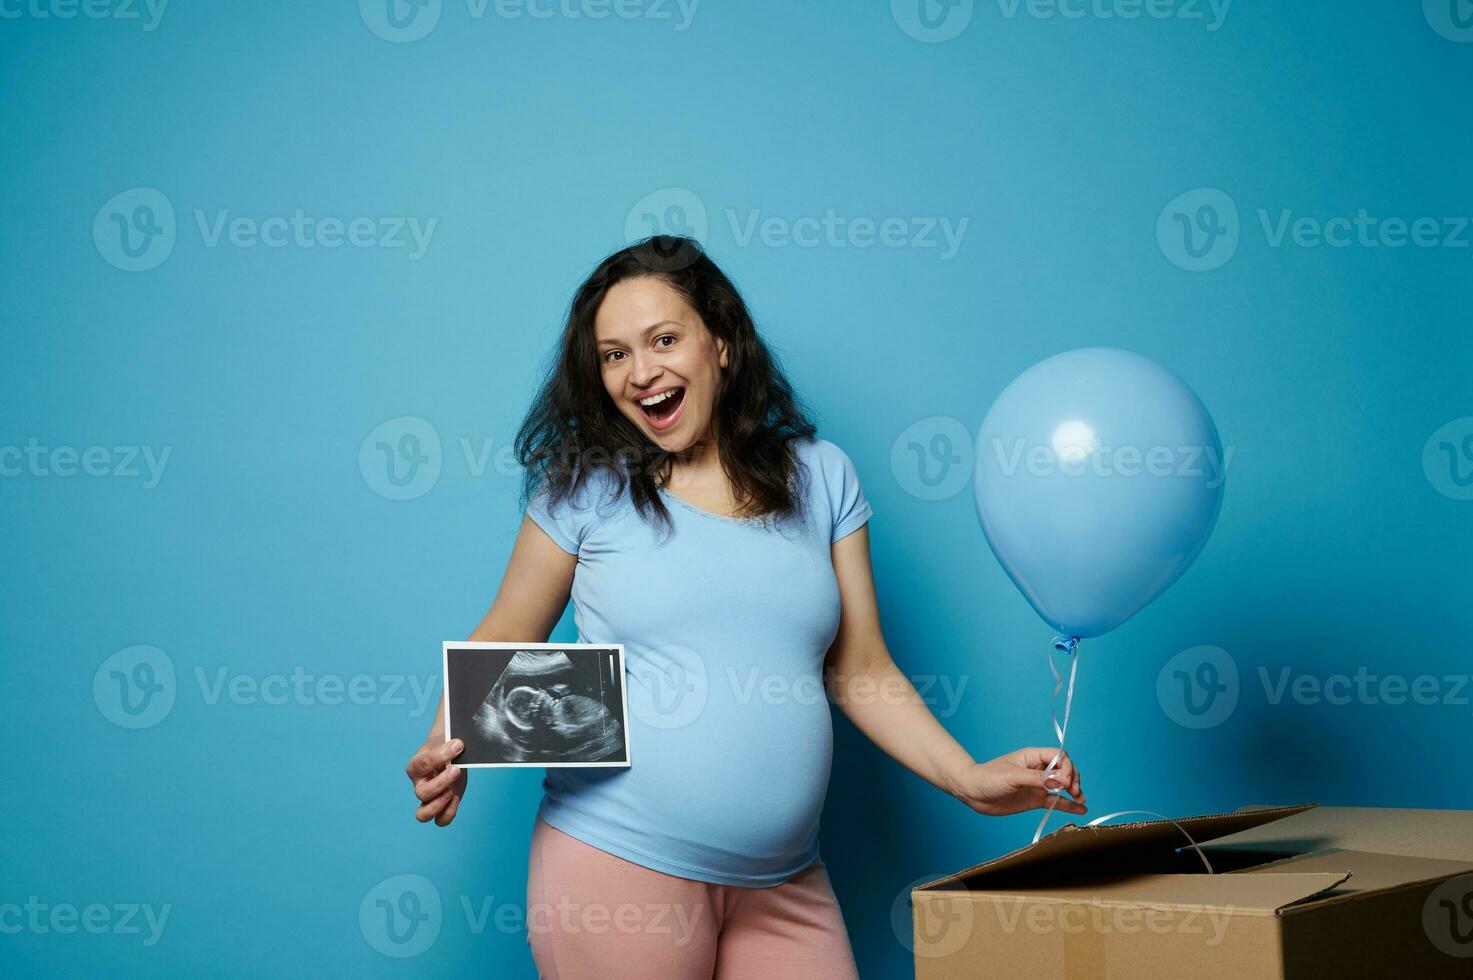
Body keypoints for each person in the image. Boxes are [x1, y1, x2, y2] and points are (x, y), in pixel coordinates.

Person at [404, 237, 1086, 978]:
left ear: (721, 343)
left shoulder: (821, 476)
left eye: (664, 340)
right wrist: (447, 748)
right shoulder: (583, 492)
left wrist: (967, 778)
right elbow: (506, 634)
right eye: (613, 355)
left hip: (786, 880)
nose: (641, 373)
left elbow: (858, 669)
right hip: (615, 865)